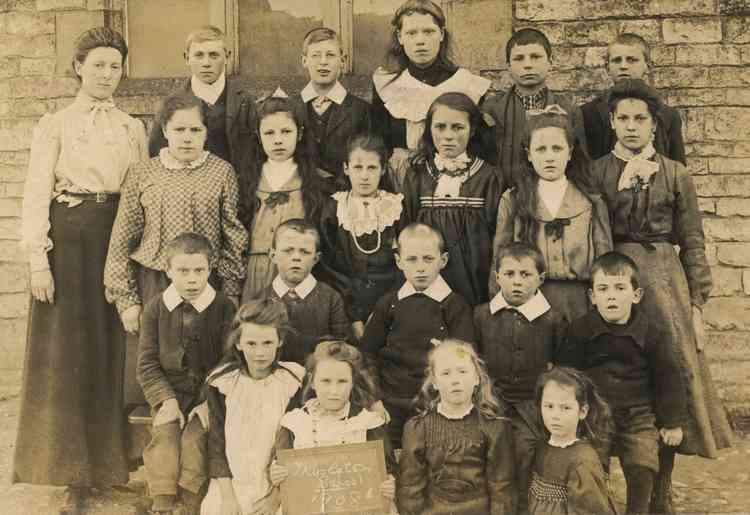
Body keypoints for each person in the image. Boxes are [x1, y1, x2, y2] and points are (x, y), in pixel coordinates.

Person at [14, 27, 147, 512]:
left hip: (115, 237)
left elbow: (141, 191)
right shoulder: (56, 124)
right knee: (68, 353)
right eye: (98, 65)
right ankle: (70, 475)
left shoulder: (131, 128)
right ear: (78, 67)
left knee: (111, 350)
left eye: (115, 66)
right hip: (68, 242)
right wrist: (38, 261)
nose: (107, 75)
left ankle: (110, 468)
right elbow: (34, 195)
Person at [591, 79, 733, 513]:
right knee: (617, 375)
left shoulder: (676, 173)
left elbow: (692, 239)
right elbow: (593, 233)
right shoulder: (597, 171)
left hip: (665, 283)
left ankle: (662, 486)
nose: (631, 127)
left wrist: (696, 304)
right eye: (623, 119)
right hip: (615, 275)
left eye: (641, 119)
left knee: (667, 376)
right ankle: (617, 482)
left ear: (655, 125)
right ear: (612, 123)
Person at [104, 92, 248, 406]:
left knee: (205, 366)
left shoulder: (221, 172)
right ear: (165, 131)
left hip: (205, 284)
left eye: (195, 130)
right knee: (156, 364)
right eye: (179, 130)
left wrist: (232, 288)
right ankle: (156, 441)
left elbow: (233, 235)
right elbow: (122, 238)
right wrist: (126, 300)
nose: (186, 138)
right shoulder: (143, 173)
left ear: (206, 133)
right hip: (155, 282)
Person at [557, 252, 688, 515]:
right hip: (595, 413)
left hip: (638, 413)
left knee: (642, 462)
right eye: (603, 289)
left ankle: (637, 510)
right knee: (591, 463)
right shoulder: (580, 330)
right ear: (593, 297)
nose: (611, 296)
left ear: (636, 295)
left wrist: (671, 422)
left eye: (620, 288)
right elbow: (567, 375)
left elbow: (669, 378)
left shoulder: (652, 333)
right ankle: (598, 508)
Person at [137, 233, 236, 514]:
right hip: (170, 392)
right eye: (182, 271)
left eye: (199, 271)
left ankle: (191, 501)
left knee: (195, 440)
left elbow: (229, 361)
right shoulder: (156, 308)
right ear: (167, 270)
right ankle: (164, 501)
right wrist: (165, 400)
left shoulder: (223, 306)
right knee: (165, 435)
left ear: (210, 268)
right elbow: (146, 362)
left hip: (209, 395)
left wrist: (209, 401)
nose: (192, 279)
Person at [490, 106, 612, 323]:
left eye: (557, 149)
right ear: (528, 154)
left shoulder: (591, 200)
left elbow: (605, 259)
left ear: (570, 152)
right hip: (529, 301)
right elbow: (499, 257)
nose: (549, 157)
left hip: (580, 303)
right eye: (541, 149)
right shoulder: (513, 199)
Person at [361, 223, 475, 448]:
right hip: (389, 403)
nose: (420, 268)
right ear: (399, 261)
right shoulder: (389, 304)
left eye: (428, 259)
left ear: (442, 261)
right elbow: (367, 355)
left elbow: (464, 361)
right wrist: (374, 399)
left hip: (435, 403)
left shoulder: (455, 306)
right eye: (412, 259)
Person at [474, 242, 564, 513]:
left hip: (530, 407)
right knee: (487, 450)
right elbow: (472, 362)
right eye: (510, 274)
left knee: (525, 452)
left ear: (540, 278)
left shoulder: (553, 319)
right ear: (497, 276)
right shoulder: (481, 316)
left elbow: (562, 368)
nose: (517, 282)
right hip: (492, 404)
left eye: (525, 275)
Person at [371, 0, 492, 192]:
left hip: (454, 179)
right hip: (400, 181)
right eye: (411, 33)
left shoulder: (466, 84)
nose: (420, 40)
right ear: (400, 37)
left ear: (441, 34)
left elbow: (478, 145)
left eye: (428, 32)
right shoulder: (387, 85)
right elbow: (378, 142)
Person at [201, 299, 305, 515]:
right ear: (238, 343)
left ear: (280, 341)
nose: (259, 353)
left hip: (279, 484)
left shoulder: (292, 382)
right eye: (251, 344)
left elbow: (294, 443)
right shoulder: (223, 383)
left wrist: (276, 497)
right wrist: (228, 498)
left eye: (267, 343)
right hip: (231, 483)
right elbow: (217, 443)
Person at [269, 341, 397, 513]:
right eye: (326, 381)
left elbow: (387, 471)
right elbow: (281, 467)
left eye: (342, 381)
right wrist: (277, 473)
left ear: (353, 383)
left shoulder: (368, 423)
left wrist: (389, 482)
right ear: (313, 382)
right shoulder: (294, 423)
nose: (334, 391)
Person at [401, 92, 503, 306]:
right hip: (427, 272)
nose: (448, 136)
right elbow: (408, 225)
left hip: (474, 276)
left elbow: (495, 232)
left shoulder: (488, 176)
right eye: (440, 127)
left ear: (472, 130)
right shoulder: (417, 174)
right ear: (429, 129)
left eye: (458, 127)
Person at [397, 339, 516, 515]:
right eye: (446, 373)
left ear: (477, 378)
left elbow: (502, 487)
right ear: (434, 382)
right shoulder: (417, 428)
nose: (455, 380)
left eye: (462, 371)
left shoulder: (494, 427)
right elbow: (410, 487)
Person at [235, 96, 329, 302]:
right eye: (269, 133)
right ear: (258, 137)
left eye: (286, 131)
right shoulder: (247, 180)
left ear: (300, 133)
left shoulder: (316, 182)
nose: (278, 140)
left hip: (300, 274)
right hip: (256, 273)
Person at [319, 134, 403, 340]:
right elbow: (328, 265)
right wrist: (354, 315)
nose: (364, 176)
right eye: (358, 167)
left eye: (372, 168)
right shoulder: (334, 208)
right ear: (346, 168)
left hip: (390, 301)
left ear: (383, 169)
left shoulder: (396, 208)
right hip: (345, 302)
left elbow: (404, 263)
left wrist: (384, 309)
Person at [483, 28, 575, 189]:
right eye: (519, 58)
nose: (528, 65)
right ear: (508, 66)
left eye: (536, 57)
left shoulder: (567, 109)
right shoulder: (491, 109)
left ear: (550, 62)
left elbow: (579, 164)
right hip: (503, 195)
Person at [148, 25, 253, 166]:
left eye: (214, 55)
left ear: (227, 57)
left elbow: (254, 156)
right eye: (199, 55)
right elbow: (157, 156)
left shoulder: (244, 102)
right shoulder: (170, 105)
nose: (206, 63)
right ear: (187, 58)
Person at [575, 33, 685, 164]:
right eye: (617, 60)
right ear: (607, 67)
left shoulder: (668, 115)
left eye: (631, 60)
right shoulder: (587, 113)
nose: (623, 66)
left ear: (648, 66)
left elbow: (678, 167)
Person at [529, 367, 615, 515]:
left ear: (582, 411)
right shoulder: (541, 446)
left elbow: (589, 510)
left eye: (565, 408)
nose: (555, 415)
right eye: (549, 406)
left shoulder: (582, 461)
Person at [294, 27, 371, 187]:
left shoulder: (361, 110)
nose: (323, 61)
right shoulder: (291, 108)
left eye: (330, 55)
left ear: (342, 61)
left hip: (345, 197)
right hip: (300, 197)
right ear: (304, 60)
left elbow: (367, 159)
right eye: (315, 55)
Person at [264, 219, 349, 364]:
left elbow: (340, 346)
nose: (296, 257)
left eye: (305, 252)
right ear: (273, 255)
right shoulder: (261, 298)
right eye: (288, 250)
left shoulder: (331, 298)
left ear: (316, 258)